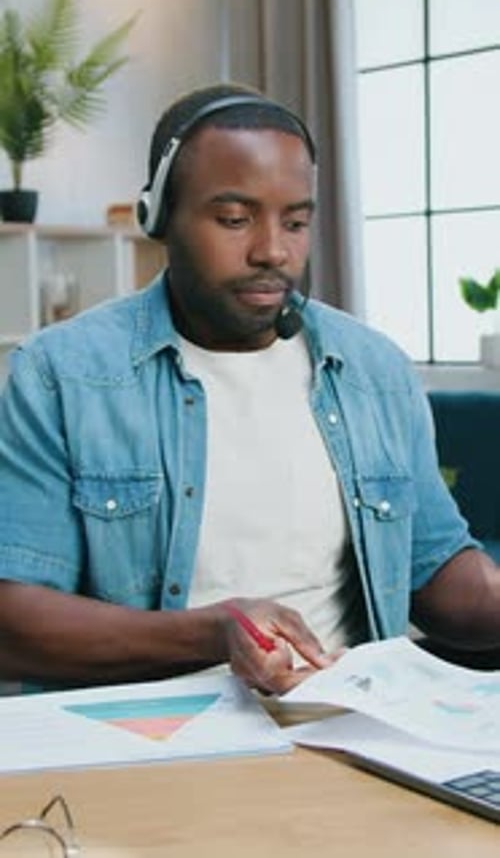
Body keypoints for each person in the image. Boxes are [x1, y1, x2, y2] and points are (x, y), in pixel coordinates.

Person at [0, 83, 498, 696]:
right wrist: (214, 634)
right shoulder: (61, 374)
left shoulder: (376, 371)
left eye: (296, 222)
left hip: (348, 723)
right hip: (149, 730)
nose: (273, 251)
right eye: (234, 219)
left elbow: (439, 575)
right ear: (158, 217)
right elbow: (13, 624)